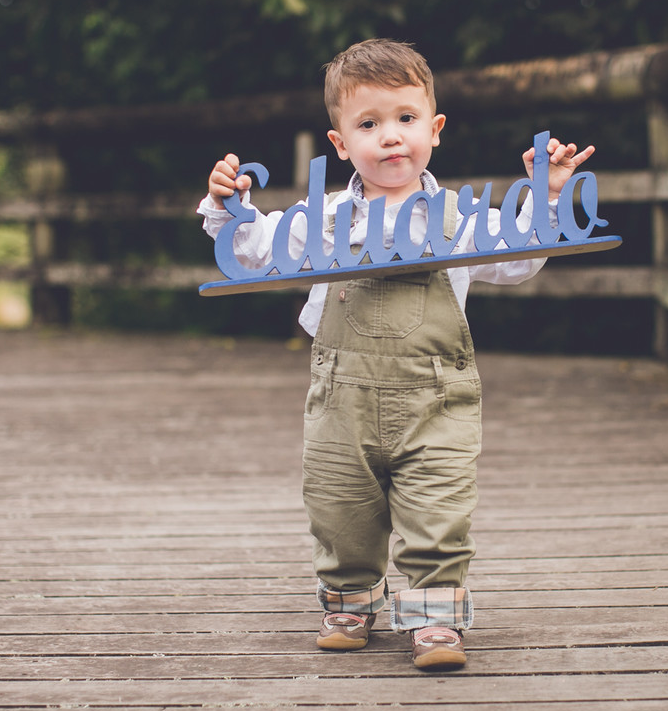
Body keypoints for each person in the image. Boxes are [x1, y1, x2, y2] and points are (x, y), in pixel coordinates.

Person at [198, 38, 593, 671]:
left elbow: (517, 259)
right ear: (339, 143)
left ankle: (435, 618)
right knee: (339, 505)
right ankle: (350, 600)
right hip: (342, 398)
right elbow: (252, 249)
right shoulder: (324, 219)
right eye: (369, 124)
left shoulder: (458, 219)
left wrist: (544, 197)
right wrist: (227, 206)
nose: (390, 137)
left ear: (434, 130)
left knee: (439, 507)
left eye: (406, 119)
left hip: (435, 396)